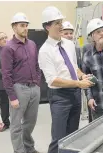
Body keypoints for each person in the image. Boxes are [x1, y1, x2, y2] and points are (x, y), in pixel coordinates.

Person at [39, 6, 94, 153]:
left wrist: (82, 75)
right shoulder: (45, 51)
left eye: (61, 22)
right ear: (47, 26)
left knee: (72, 135)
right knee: (59, 138)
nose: (61, 26)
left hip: (75, 94)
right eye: (57, 23)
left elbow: (74, 66)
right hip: (60, 97)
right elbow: (52, 80)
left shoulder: (69, 44)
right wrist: (78, 83)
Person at [1, 12, 41, 153]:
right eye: (22, 26)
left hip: (34, 88)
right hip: (19, 89)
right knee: (16, 125)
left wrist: (38, 83)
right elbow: (6, 74)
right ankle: (19, 151)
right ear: (14, 27)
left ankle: (29, 147)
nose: (25, 28)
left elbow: (36, 65)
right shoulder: (8, 47)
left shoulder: (32, 44)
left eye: (26, 26)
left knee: (30, 122)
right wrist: (12, 97)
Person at [61, 21, 93, 123]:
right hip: (63, 90)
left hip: (77, 87)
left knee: (74, 121)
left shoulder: (76, 49)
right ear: (60, 34)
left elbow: (78, 67)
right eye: (66, 33)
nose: (69, 36)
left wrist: (83, 77)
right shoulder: (56, 50)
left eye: (71, 33)